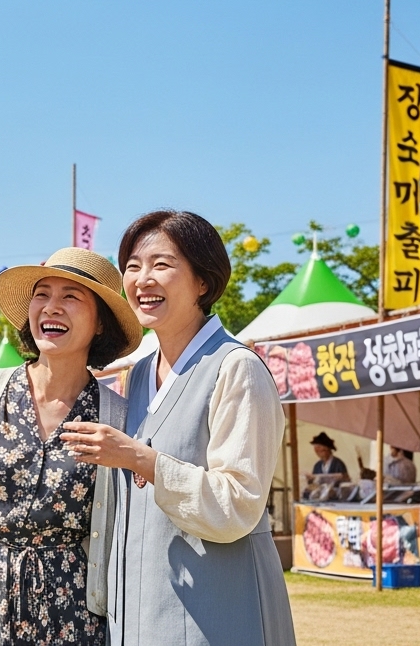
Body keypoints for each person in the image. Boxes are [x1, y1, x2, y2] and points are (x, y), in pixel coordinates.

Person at [60, 210, 295, 646]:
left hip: (221, 609)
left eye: (162, 265)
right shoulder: (138, 373)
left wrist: (138, 458)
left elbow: (238, 503)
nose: (143, 279)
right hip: (142, 611)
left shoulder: (236, 367)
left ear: (203, 282)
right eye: (133, 266)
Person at [0, 248, 142, 646]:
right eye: (42, 295)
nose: (51, 308)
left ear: (101, 324)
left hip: (74, 612)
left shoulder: (117, 414)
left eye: (71, 297)